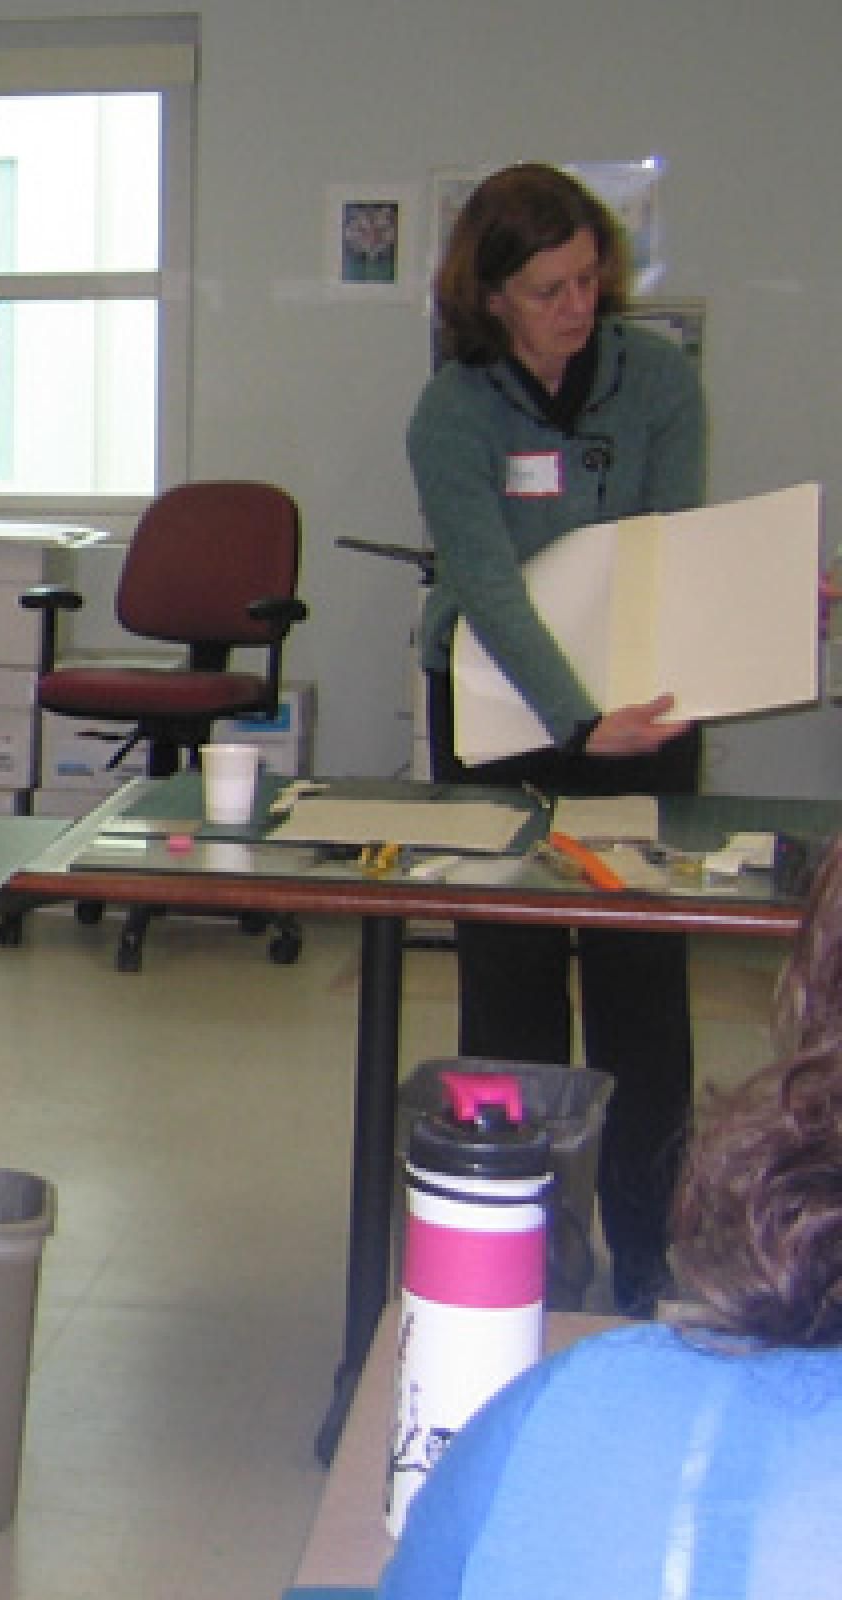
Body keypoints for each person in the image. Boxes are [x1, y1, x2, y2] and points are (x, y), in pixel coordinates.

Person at [379, 846, 842, 1598]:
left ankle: (635, 1266)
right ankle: (584, 1264)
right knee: (514, 1024)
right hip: (520, 772)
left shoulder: (569, 1419)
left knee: (634, 1007)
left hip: (632, 788)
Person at [408, 163, 707, 1314]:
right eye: (546, 289)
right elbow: (485, 582)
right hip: (499, 713)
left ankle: (647, 1261)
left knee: (641, 991)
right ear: (489, 297)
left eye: (588, 279)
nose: (577, 307)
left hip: (641, 711)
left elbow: (667, 547)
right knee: (511, 988)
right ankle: (520, 1252)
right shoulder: (452, 411)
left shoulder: (660, 382)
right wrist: (575, 720)